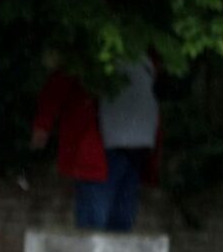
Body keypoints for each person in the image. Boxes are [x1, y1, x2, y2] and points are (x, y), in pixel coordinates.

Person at [31, 55, 160, 231]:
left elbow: (58, 87)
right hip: (127, 143)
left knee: (104, 216)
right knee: (111, 215)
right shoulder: (141, 58)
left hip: (117, 144)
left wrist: (43, 126)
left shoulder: (101, 55)